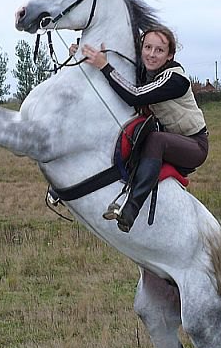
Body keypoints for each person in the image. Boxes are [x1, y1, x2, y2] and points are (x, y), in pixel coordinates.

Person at [80, 26, 208, 232]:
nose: (151, 54)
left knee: (155, 139)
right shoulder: (148, 73)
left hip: (194, 146)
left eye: (159, 50)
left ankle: (131, 209)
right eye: (147, 47)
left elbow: (135, 95)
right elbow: (121, 79)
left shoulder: (175, 80)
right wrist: (83, 55)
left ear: (170, 56)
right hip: (169, 143)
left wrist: (104, 66)